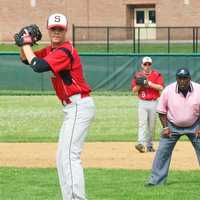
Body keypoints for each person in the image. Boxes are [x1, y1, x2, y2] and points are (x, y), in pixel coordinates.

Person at [15, 13, 95, 200]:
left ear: (65, 30)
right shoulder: (51, 50)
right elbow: (26, 60)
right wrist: (23, 44)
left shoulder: (64, 50)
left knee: (69, 156)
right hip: (72, 108)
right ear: (48, 30)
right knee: (62, 158)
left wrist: (26, 43)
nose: (57, 32)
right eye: (53, 29)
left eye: (60, 29)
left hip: (79, 105)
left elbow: (38, 66)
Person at [146, 67, 200, 186]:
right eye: (179, 78)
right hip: (172, 126)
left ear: (189, 79)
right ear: (176, 79)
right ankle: (155, 181)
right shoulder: (168, 90)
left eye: (185, 78)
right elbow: (161, 111)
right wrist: (165, 128)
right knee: (162, 152)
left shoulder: (198, 89)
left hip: (195, 125)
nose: (182, 81)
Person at [132, 56, 164, 153]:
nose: (147, 66)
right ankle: (141, 144)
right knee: (142, 124)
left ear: (151, 65)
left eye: (149, 64)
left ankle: (149, 145)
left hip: (154, 102)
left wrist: (149, 83)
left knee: (151, 126)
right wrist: (140, 84)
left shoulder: (156, 74)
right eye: (145, 64)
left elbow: (160, 87)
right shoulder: (138, 75)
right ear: (142, 65)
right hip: (142, 102)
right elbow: (134, 90)